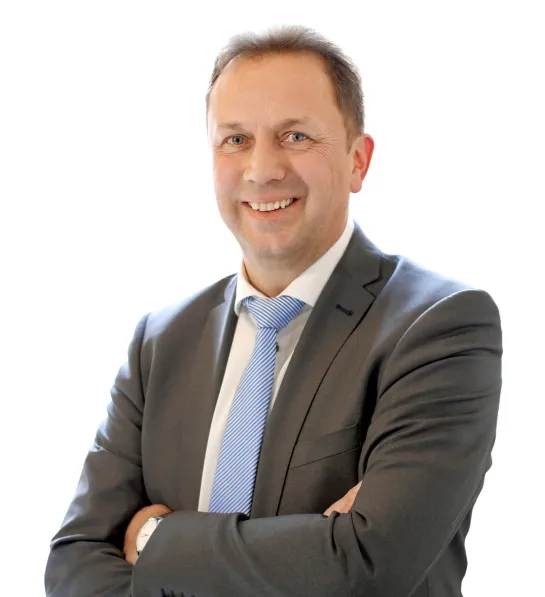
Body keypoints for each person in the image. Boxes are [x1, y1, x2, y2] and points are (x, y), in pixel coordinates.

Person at [44, 24, 503, 597]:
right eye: (235, 139)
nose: (262, 169)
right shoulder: (160, 341)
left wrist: (155, 537)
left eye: (295, 136)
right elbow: (73, 564)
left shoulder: (442, 327)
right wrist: (315, 546)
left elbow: (368, 568)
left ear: (358, 161)